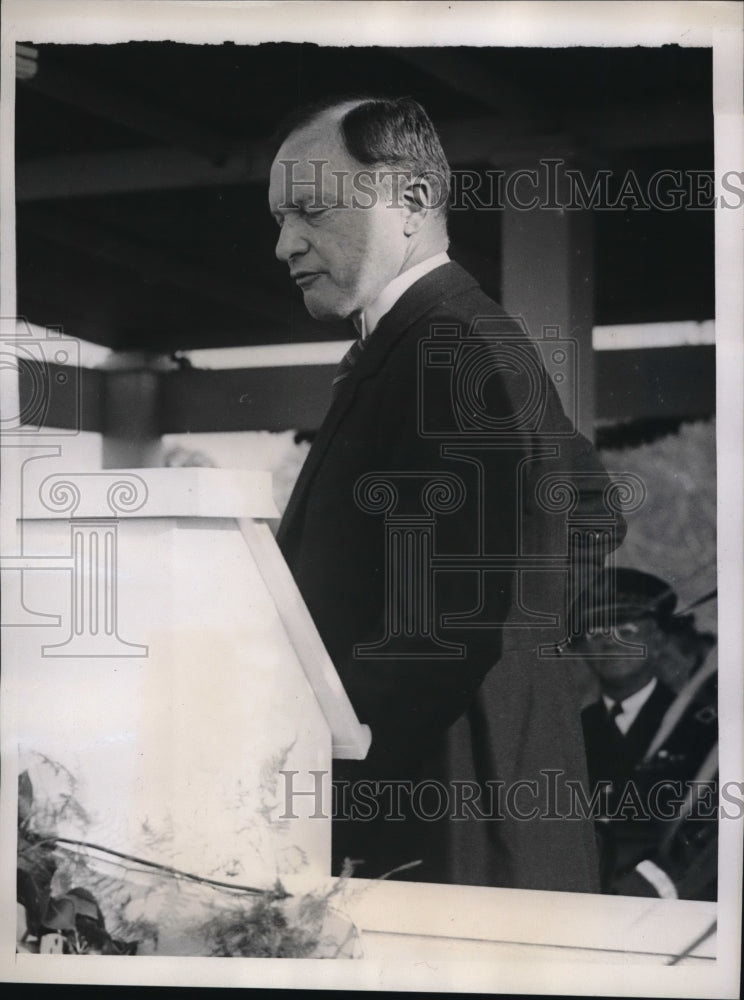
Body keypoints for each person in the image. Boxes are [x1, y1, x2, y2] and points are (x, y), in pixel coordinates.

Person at [269, 96, 625, 890]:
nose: (286, 243)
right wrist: (524, 620)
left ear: (415, 202)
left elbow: (447, 634)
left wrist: (304, 758)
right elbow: (594, 507)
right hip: (463, 797)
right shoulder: (441, 337)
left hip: (447, 822)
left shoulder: (452, 349)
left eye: (310, 210)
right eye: (279, 218)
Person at [575, 567, 718, 899]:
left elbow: (712, 833)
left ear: (656, 639)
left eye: (626, 628)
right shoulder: (571, 731)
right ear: (582, 646)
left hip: (668, 904)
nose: (610, 641)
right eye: (596, 631)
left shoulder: (702, 729)